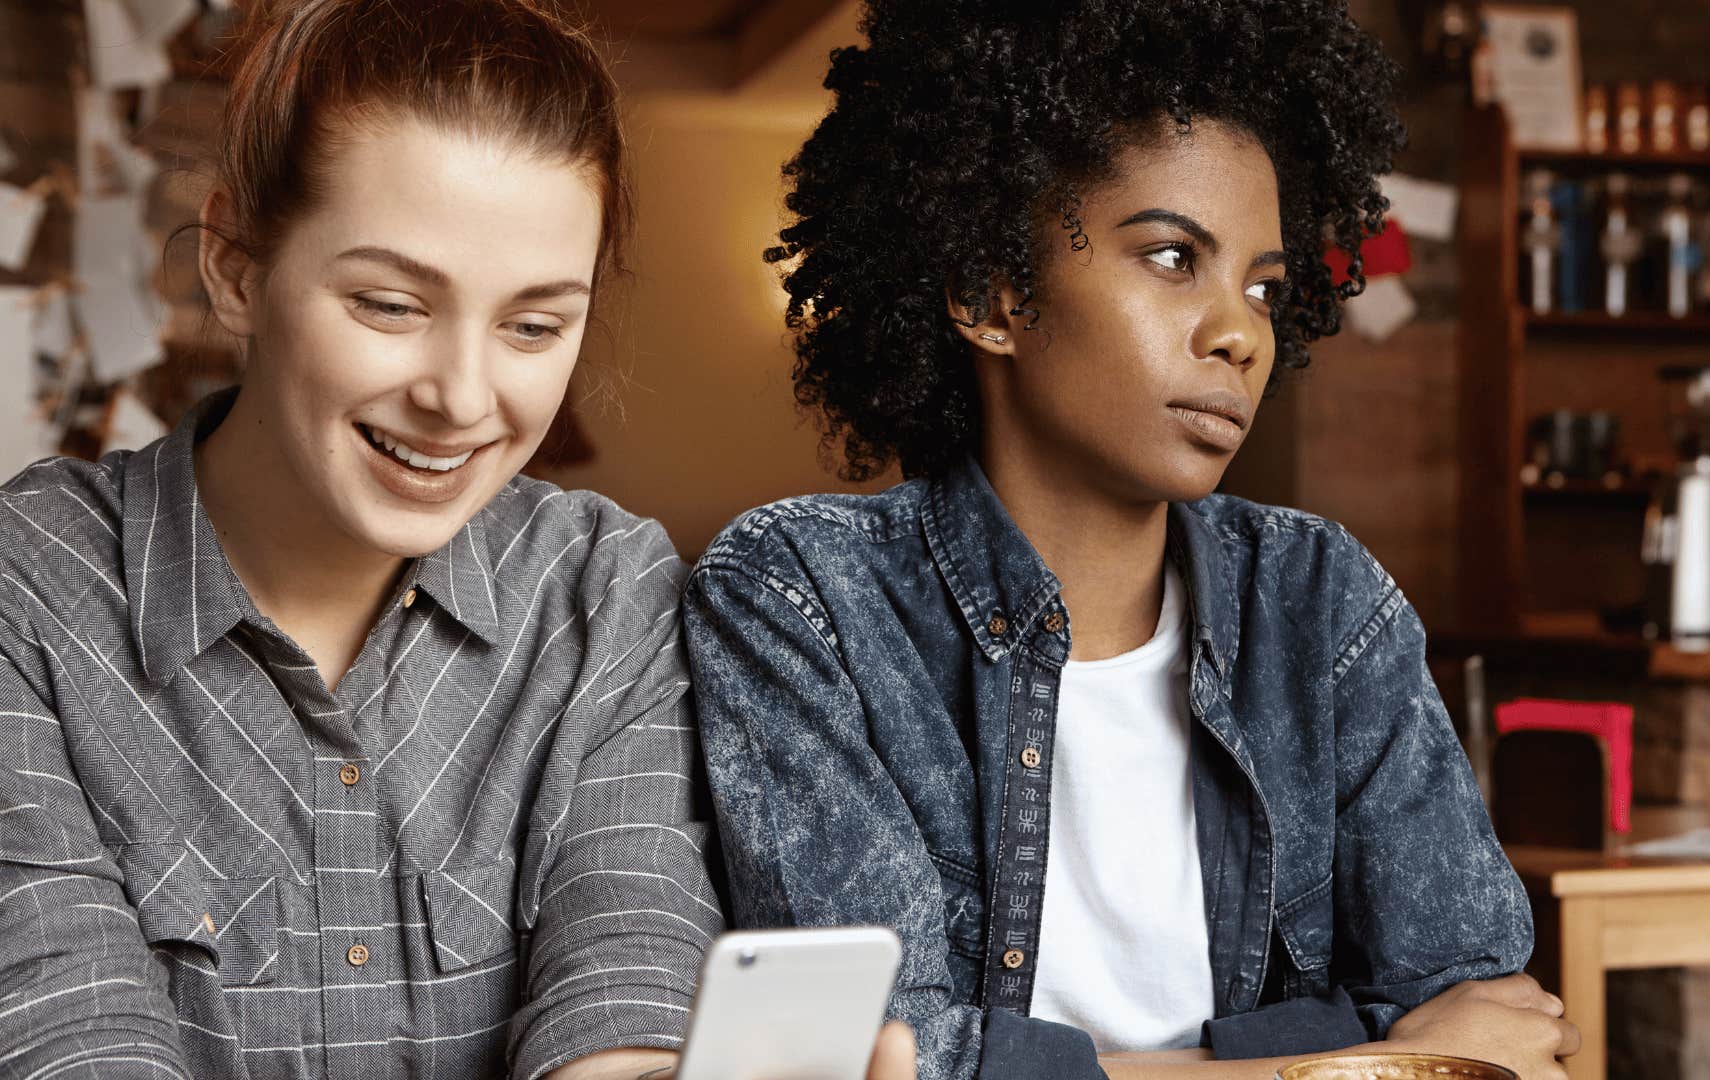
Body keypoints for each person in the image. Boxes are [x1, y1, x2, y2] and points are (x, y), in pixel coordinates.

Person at [0, 2, 914, 1078]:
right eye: (390, 304)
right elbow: (72, 1036)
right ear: (235, 269)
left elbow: (625, 964)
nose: (462, 397)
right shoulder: (33, 589)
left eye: (533, 326)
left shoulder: (603, 591)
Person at [683, 1, 1578, 1078]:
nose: (1240, 331)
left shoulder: (1320, 597)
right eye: (1169, 257)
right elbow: (875, 1051)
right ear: (991, 295)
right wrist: (1321, 1058)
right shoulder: (800, 595)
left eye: (1264, 287)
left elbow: (1489, 1009)